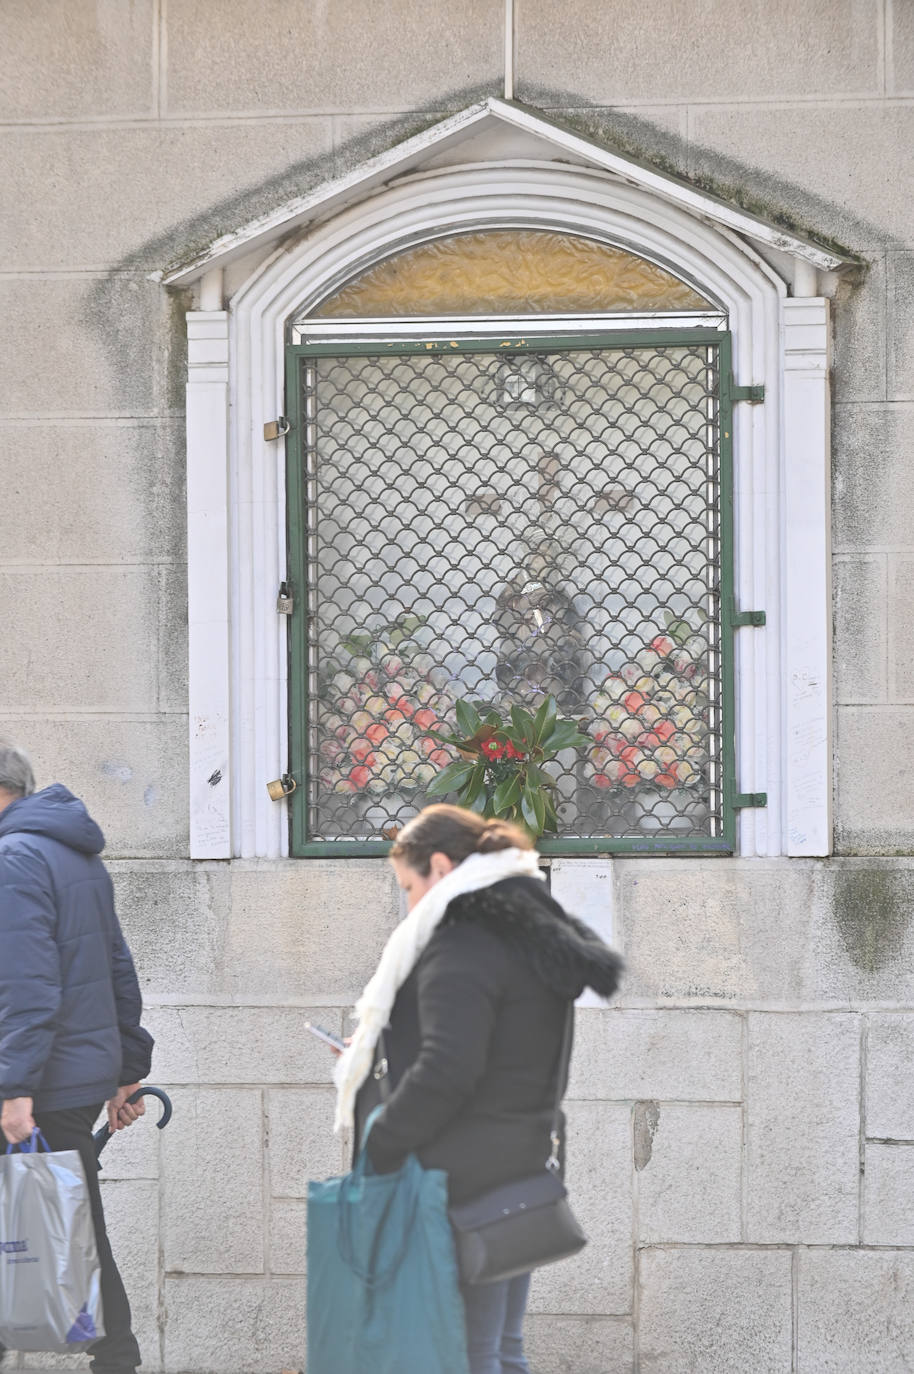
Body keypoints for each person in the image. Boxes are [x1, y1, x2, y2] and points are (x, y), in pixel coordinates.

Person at [333, 803, 622, 1374]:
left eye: (410, 887)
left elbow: (449, 1069)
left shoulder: (464, 938)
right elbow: (500, 1048)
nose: (411, 904)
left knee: (463, 1356)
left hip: (459, 1175)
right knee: (499, 1350)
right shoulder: (531, 923)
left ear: (440, 867)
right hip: (516, 1164)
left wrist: (382, 1146)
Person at [0, 742, 154, 1374]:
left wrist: (14, 1089)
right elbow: (117, 964)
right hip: (72, 1075)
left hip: (38, 1080)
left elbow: (26, 985)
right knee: (80, 1225)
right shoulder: (73, 853)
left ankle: (115, 1358)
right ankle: (117, 1358)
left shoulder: (13, 857)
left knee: (64, 1225)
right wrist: (126, 1072)